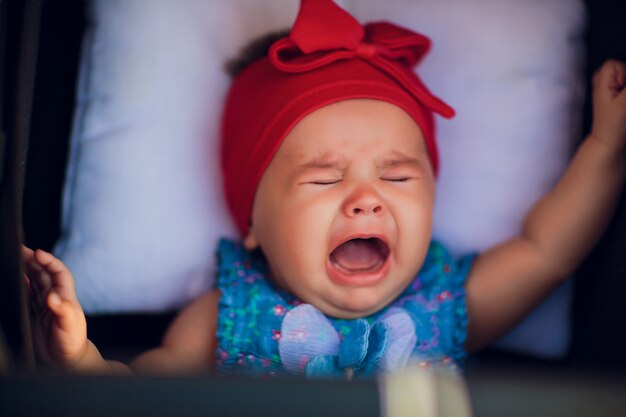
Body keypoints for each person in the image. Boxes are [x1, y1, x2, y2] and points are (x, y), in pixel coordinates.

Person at [23, 0, 626, 378]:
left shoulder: (449, 305)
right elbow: (153, 396)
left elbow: (547, 249)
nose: (366, 197)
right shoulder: (226, 317)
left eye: (397, 175)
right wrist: (80, 361)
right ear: (253, 222)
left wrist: (606, 149)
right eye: (324, 177)